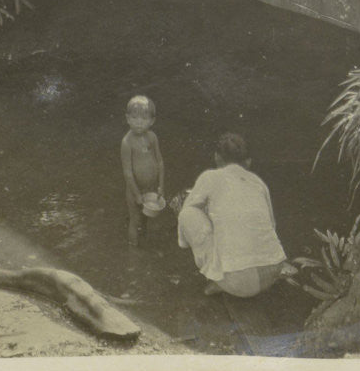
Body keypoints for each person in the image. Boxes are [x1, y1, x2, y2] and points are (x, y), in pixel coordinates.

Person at [176, 133, 293, 297]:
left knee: (188, 213)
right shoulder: (258, 182)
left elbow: (187, 211)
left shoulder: (210, 177)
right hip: (273, 271)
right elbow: (272, 224)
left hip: (239, 283)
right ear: (248, 162)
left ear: (217, 157)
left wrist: (184, 241)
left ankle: (219, 281)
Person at [120, 95, 164, 247]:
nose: (139, 122)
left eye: (144, 118)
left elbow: (160, 161)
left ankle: (143, 241)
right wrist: (137, 194)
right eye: (134, 117)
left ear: (152, 121)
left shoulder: (152, 137)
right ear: (128, 119)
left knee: (146, 218)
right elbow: (127, 172)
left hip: (150, 188)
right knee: (135, 219)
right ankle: (133, 249)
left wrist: (161, 186)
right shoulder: (127, 142)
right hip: (134, 190)